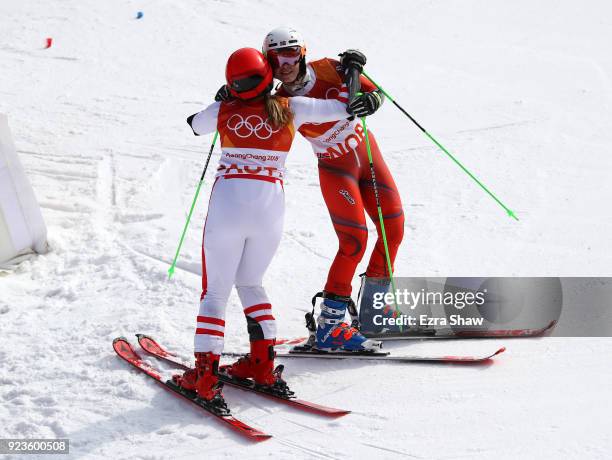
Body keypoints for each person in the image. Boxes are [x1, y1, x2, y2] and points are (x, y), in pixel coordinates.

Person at [173, 47, 371, 404]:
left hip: (228, 205)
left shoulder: (223, 109)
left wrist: (223, 98)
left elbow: (194, 125)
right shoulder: (291, 106)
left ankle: (204, 381)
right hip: (269, 210)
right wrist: (352, 72)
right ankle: (262, 368)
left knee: (215, 293)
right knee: (251, 283)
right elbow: (346, 106)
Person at [217, 28, 404, 351]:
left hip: (368, 156)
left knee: (394, 228)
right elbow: (246, 107)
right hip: (336, 168)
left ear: (302, 53)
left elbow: (375, 92)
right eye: (275, 57)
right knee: (353, 242)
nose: (284, 63)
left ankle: (374, 309)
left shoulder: (331, 68)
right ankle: (330, 326)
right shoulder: (275, 101)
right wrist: (231, 94)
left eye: (290, 53)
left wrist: (372, 97)